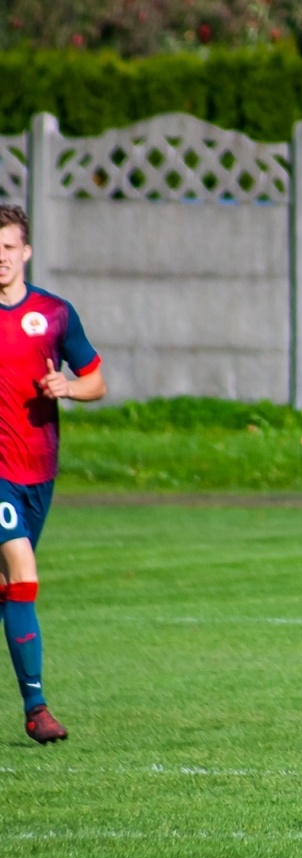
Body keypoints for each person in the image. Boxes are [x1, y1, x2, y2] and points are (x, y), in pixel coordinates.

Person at [0, 205, 107, 744]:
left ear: (26, 252)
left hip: (38, 470)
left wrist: (67, 388)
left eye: (8, 247)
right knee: (22, 575)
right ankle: (37, 708)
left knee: (13, 588)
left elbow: (95, 381)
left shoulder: (55, 314)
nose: (0, 258)